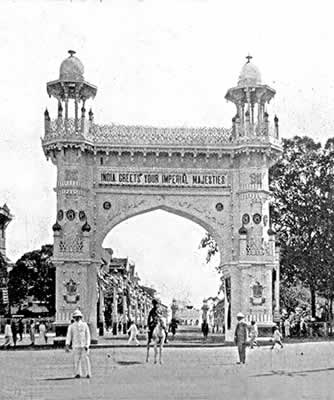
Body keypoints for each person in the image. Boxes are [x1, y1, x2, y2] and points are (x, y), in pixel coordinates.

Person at [65, 309, 91, 378]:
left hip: (84, 345)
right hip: (75, 345)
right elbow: (69, 336)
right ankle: (77, 373)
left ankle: (88, 373)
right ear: (74, 318)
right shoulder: (71, 326)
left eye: (78, 317)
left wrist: (87, 345)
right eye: (75, 317)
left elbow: (88, 336)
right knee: (76, 360)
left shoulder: (84, 325)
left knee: (85, 359)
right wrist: (67, 345)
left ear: (80, 317)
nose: (77, 318)